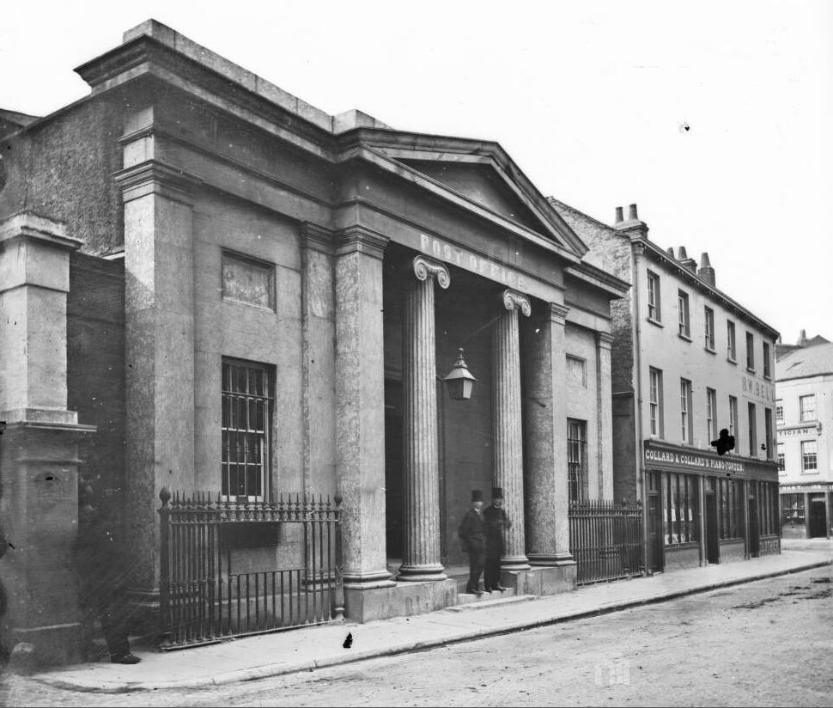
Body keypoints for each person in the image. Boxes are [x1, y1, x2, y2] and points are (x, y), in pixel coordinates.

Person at [75, 481, 141, 664]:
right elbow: (88, 551)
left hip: (106, 576)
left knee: (112, 615)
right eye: (87, 497)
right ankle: (118, 653)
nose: (91, 504)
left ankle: (118, 652)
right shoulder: (88, 519)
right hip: (100, 577)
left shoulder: (96, 518)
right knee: (110, 615)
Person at [457, 490, 486, 596]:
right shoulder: (470, 515)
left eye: (480, 501)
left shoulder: (481, 515)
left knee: (480, 566)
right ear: (473, 503)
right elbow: (462, 531)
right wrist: (472, 542)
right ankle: (472, 588)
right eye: (477, 501)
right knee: (475, 567)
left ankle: (474, 586)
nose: (479, 503)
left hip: (481, 545)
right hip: (474, 546)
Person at [483, 487, 511, 592]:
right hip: (489, 542)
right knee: (489, 564)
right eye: (496, 499)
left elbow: (507, 524)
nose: (498, 501)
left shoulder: (502, 512)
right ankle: (488, 585)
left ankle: (496, 584)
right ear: (492, 500)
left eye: (500, 499)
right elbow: (486, 526)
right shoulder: (487, 511)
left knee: (497, 564)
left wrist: (505, 523)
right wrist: (497, 523)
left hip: (498, 541)